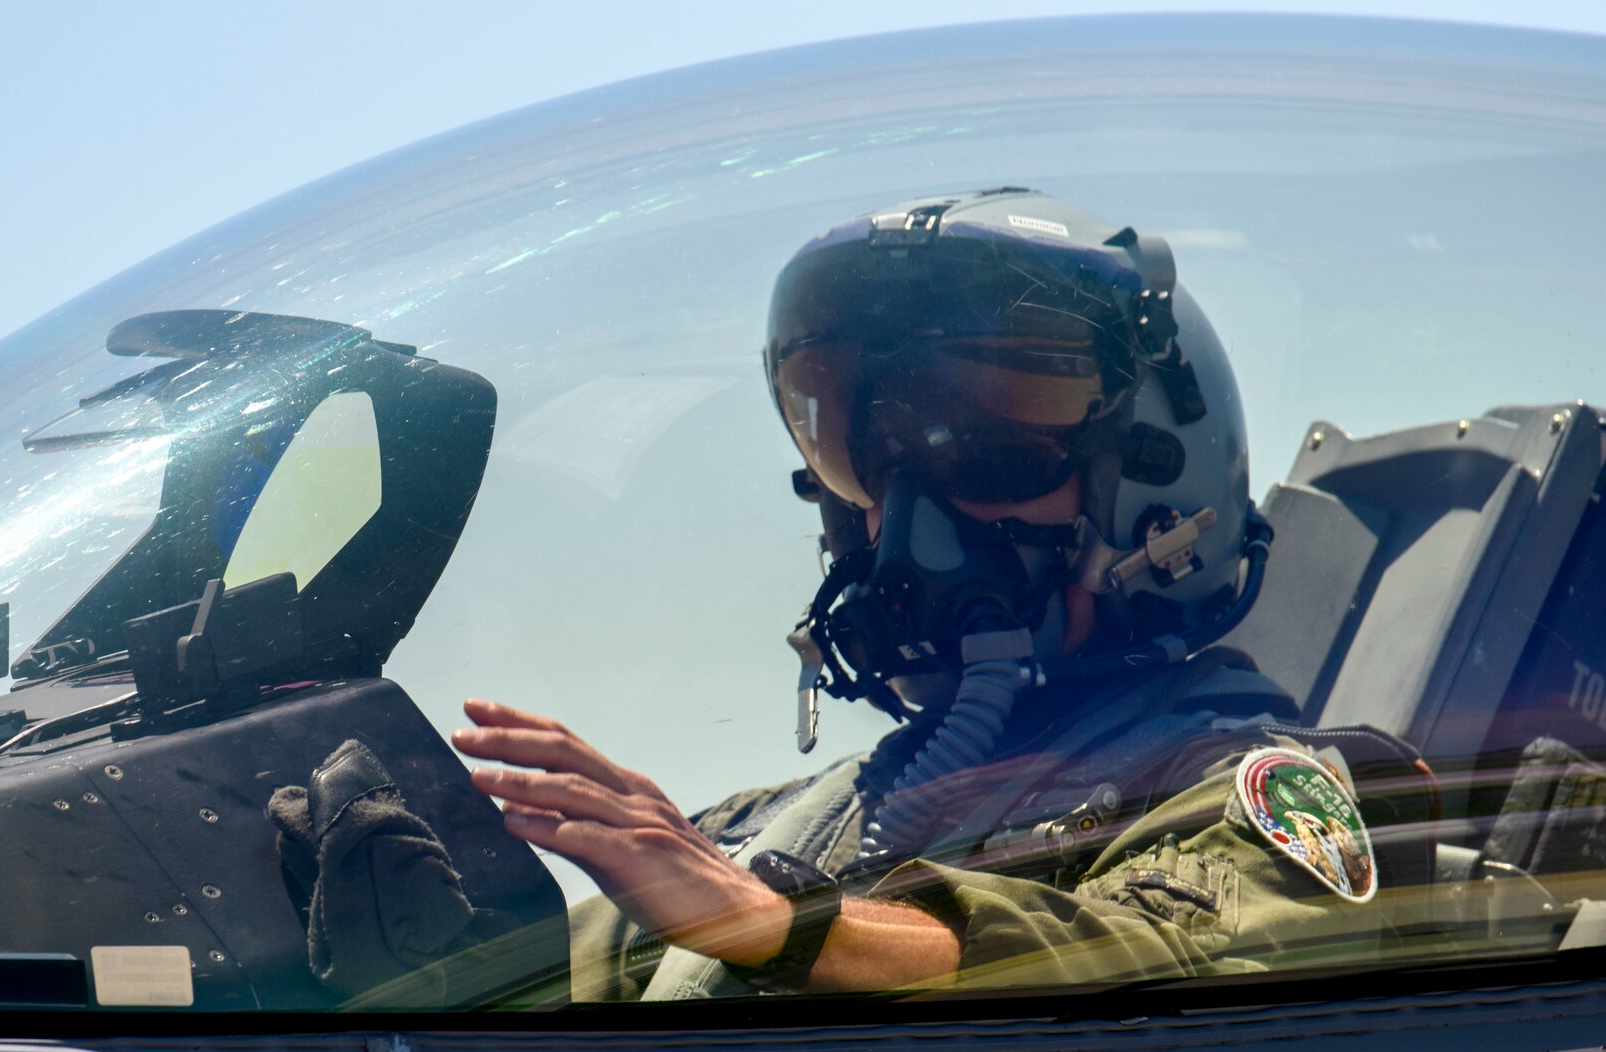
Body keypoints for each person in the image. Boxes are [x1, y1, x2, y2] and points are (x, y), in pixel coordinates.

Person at [454, 188, 1423, 1002]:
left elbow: (1144, 950)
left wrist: (788, 928)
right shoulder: (794, 823)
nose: (904, 517)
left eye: (990, 448)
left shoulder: (1241, 787)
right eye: (870, 460)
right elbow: (547, 982)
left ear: (1151, 501)